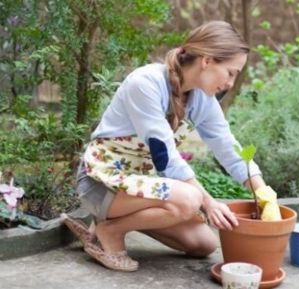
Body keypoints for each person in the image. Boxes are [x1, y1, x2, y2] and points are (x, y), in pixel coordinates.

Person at [63, 20, 268, 272]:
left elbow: (228, 147)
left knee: (203, 244)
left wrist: (264, 195)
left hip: (136, 187)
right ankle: (110, 230)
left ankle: (115, 220)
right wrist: (209, 202)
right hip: (100, 184)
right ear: (207, 60)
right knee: (191, 199)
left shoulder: (201, 99)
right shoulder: (145, 83)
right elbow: (165, 158)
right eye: (231, 72)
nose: (230, 83)